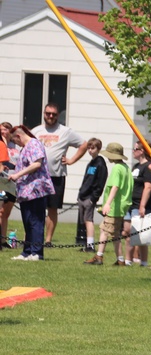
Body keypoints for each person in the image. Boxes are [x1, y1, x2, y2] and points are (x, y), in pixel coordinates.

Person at [31, 104, 88, 246]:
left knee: (52, 208)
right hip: (37, 176)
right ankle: (31, 238)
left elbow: (83, 144)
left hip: (56, 175)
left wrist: (71, 160)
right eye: (48, 113)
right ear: (44, 113)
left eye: (54, 114)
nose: (51, 116)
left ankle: (48, 240)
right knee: (34, 208)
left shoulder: (65, 131)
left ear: (57, 116)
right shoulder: (36, 131)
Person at [6, 125, 55, 260]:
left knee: (36, 221)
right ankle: (27, 252)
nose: (16, 143)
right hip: (25, 191)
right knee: (27, 221)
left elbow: (36, 164)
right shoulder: (25, 148)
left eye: (15, 141)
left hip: (36, 189)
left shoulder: (34, 144)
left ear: (18, 136)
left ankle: (37, 253)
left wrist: (17, 175)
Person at [84, 143, 134, 266]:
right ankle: (120, 260)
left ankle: (99, 257)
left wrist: (107, 203)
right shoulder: (126, 168)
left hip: (115, 206)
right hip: (122, 205)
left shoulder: (117, 168)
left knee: (105, 231)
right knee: (113, 233)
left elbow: (115, 186)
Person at [76, 138, 108, 253]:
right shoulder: (90, 163)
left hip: (90, 197)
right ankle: (86, 243)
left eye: (92, 148)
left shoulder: (100, 163)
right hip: (83, 196)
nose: (90, 150)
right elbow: (86, 179)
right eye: (88, 148)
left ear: (98, 149)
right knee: (84, 221)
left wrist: (93, 198)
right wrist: (80, 194)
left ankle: (90, 246)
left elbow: (100, 182)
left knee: (89, 220)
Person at [126, 141, 151, 267]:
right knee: (128, 231)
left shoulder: (148, 167)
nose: (133, 151)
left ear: (142, 150)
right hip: (130, 204)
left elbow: (148, 187)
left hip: (140, 205)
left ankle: (143, 262)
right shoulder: (136, 166)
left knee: (141, 235)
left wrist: (142, 206)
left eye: (135, 149)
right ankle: (127, 260)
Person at [1, 121, 17, 249]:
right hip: (1, 182)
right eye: (1, 129)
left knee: (6, 213)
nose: (3, 132)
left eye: (6, 130)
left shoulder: (15, 146)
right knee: (0, 212)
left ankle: (3, 240)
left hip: (12, 183)